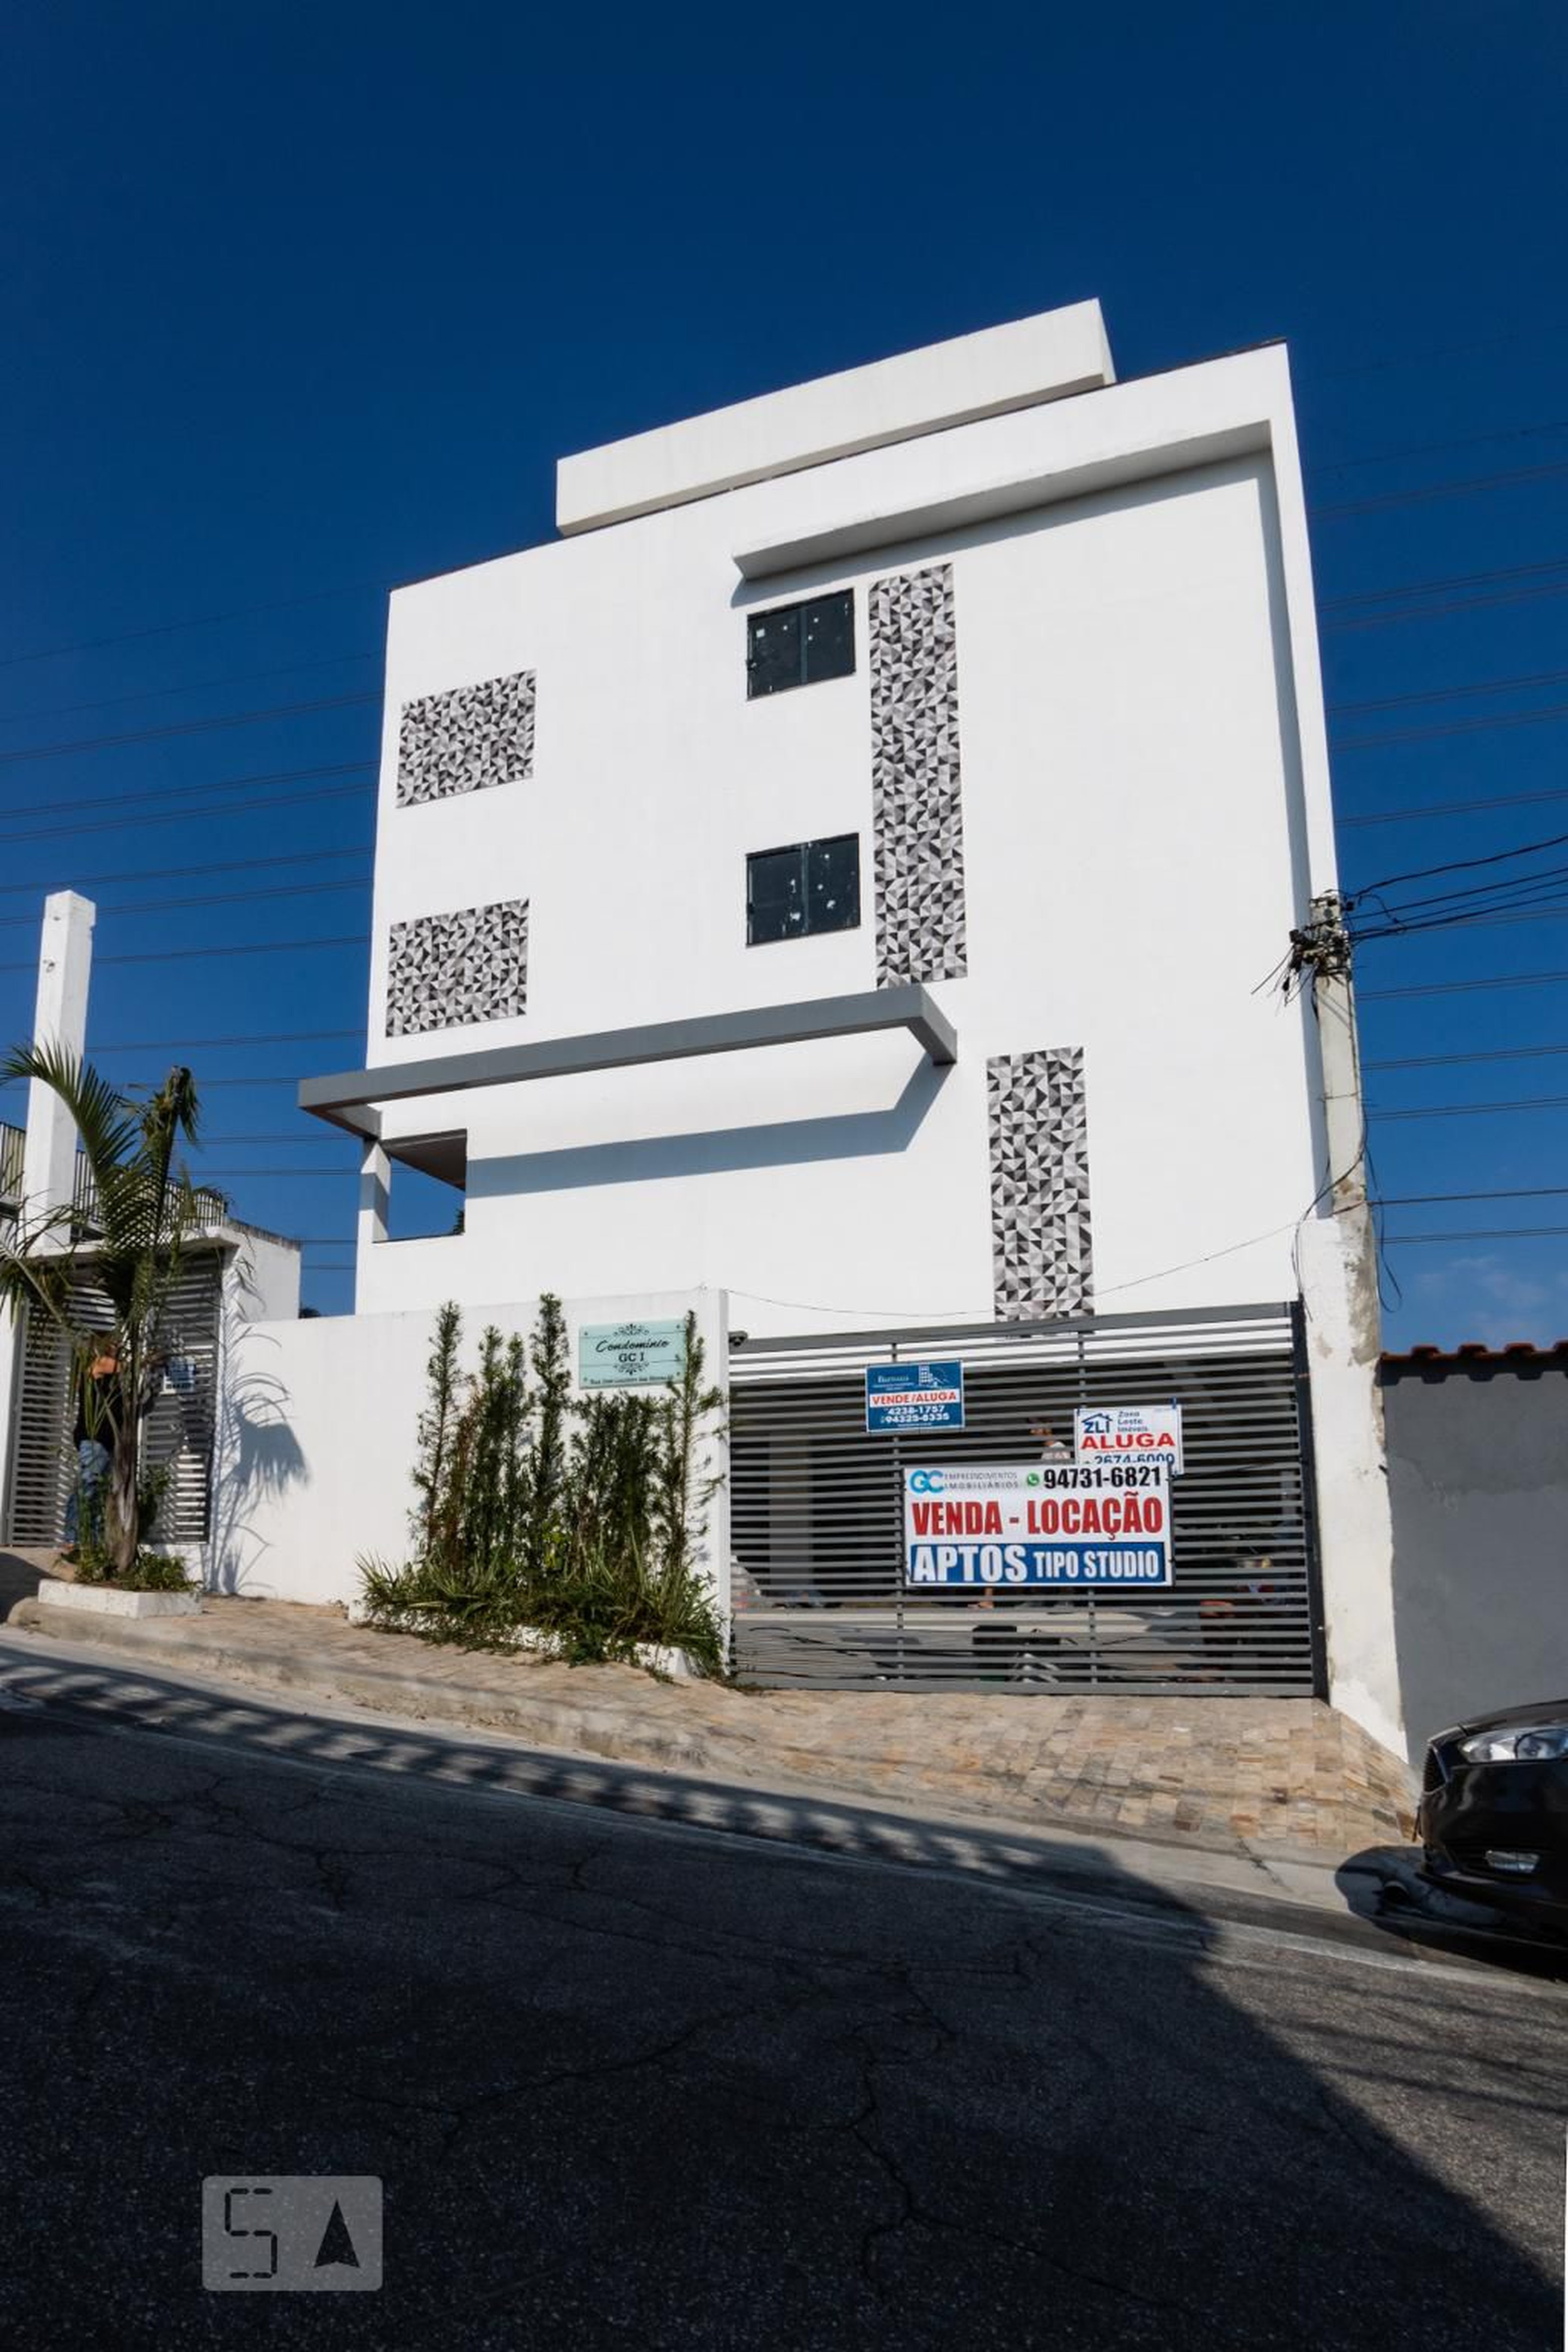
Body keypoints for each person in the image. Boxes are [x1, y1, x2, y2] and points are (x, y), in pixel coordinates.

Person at [63, 1352, 116, 1557]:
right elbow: (122, 1367)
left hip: (106, 1441)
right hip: (95, 1438)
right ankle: (73, 1540)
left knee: (96, 1493)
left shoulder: (111, 1375)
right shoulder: (99, 1363)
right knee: (88, 1488)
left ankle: (91, 1541)